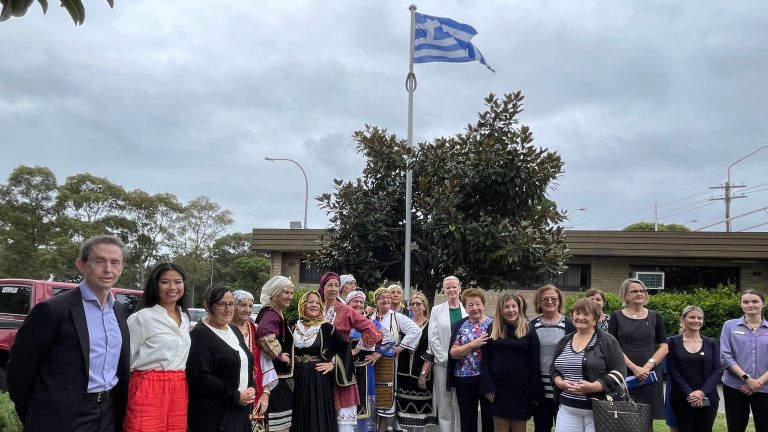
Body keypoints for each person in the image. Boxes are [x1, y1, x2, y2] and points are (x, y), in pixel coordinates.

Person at [8, 235, 131, 432]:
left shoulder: (119, 311)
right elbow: (19, 371)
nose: (108, 269)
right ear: (81, 264)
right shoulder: (52, 310)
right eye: (99, 261)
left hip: (108, 412)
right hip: (62, 416)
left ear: (122, 267)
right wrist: (37, 415)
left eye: (115, 262)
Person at [124, 262, 191, 432]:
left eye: (177, 282)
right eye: (165, 282)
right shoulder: (141, 318)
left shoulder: (185, 318)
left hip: (179, 389)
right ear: (155, 285)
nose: (172, 287)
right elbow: (124, 361)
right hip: (147, 389)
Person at [187, 285, 256, 432]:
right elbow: (202, 377)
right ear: (207, 305)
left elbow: (245, 363)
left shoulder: (235, 330)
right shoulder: (199, 336)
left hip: (239, 412)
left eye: (231, 304)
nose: (228, 309)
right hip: (214, 415)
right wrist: (236, 396)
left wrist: (252, 388)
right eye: (221, 304)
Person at [550, 298, 626, 432]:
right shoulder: (564, 341)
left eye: (586, 314)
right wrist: (560, 383)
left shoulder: (607, 341)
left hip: (600, 411)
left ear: (596, 318)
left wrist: (593, 387)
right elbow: (553, 369)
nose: (580, 317)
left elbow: (620, 372)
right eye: (577, 313)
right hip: (568, 409)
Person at [320, 272, 383, 432]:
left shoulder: (346, 310)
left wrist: (354, 349)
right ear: (323, 287)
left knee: (343, 416)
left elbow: (373, 331)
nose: (334, 289)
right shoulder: (316, 306)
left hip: (341, 366)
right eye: (330, 285)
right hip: (319, 366)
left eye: (336, 285)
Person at [480, 293, 543, 432]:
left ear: (519, 308)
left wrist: (535, 392)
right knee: (500, 427)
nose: (511, 310)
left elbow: (535, 363)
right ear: (500, 310)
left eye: (514, 306)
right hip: (498, 390)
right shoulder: (492, 329)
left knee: (519, 428)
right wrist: (487, 386)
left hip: (521, 389)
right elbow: (484, 361)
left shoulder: (529, 329)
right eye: (506, 307)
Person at [608, 278, 668, 422]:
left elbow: (664, 347)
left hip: (650, 375)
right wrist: (635, 368)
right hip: (626, 374)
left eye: (642, 291)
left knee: (647, 420)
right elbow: (612, 347)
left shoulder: (655, 316)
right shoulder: (616, 316)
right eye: (634, 291)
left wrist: (647, 367)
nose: (639, 293)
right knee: (625, 419)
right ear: (625, 295)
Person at [292, 291, 351, 432]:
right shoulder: (292, 325)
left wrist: (333, 364)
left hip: (318, 378)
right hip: (296, 377)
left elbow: (345, 348)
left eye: (318, 303)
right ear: (303, 304)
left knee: (317, 414)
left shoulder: (326, 327)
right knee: (298, 412)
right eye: (310, 302)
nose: (314, 305)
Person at [366, 287, 421, 432]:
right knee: (372, 399)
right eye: (382, 298)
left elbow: (416, 331)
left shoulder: (396, 316)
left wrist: (401, 347)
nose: (386, 300)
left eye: (388, 297)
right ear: (376, 301)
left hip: (389, 363)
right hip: (371, 362)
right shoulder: (369, 318)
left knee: (385, 400)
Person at [666, 305, 722, 432]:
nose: (696, 320)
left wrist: (702, 392)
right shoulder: (673, 342)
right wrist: (690, 393)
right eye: (692, 317)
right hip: (682, 397)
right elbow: (672, 369)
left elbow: (717, 369)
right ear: (683, 319)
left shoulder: (710, 342)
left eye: (699, 318)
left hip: (709, 398)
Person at [719, 289, 768, 432]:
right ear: (741, 305)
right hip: (735, 387)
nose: (750, 305)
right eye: (745, 302)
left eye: (755, 301)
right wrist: (747, 379)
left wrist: (758, 383)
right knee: (735, 428)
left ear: (763, 304)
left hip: (765, 389)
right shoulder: (729, 326)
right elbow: (725, 356)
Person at [529, 284, 575, 432]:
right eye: (545, 299)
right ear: (539, 302)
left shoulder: (569, 325)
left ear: (559, 301)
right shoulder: (531, 326)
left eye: (553, 298)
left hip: (562, 387)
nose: (550, 302)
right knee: (541, 428)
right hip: (539, 388)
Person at [448, 288, 493, 432]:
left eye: (478, 304)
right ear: (465, 308)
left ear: (483, 304)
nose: (475, 308)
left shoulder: (494, 324)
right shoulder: (460, 325)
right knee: (467, 420)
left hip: (488, 379)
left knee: (490, 419)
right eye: (470, 305)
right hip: (464, 378)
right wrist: (473, 344)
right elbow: (453, 353)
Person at [254, 276, 296, 432]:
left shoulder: (276, 312)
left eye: (291, 293)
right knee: (278, 426)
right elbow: (264, 336)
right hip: (276, 379)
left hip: (278, 379)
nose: (290, 297)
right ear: (275, 294)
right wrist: (279, 355)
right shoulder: (271, 313)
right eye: (286, 292)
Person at [427, 275, 467, 431]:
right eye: (448, 287)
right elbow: (433, 336)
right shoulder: (437, 310)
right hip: (442, 364)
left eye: (454, 286)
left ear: (459, 288)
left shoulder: (467, 309)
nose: (451, 290)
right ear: (444, 290)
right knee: (444, 403)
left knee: (461, 403)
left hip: (464, 364)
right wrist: (445, 358)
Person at [232, 290, 276, 427]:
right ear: (233, 306)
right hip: (231, 391)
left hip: (254, 391)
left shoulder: (256, 330)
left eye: (250, 306)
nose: (247, 310)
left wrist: (266, 393)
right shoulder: (224, 329)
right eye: (242, 305)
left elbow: (265, 363)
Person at [396, 291, 437, 431]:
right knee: (403, 414)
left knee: (421, 415)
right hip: (403, 374)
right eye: (412, 304)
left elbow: (432, 350)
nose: (415, 306)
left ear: (424, 306)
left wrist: (424, 374)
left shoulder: (431, 325)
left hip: (421, 373)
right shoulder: (405, 324)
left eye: (418, 303)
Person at [346, 290, 379, 432]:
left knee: (365, 404)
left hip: (365, 370)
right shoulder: (340, 320)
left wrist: (377, 353)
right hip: (345, 370)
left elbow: (388, 339)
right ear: (348, 304)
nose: (359, 304)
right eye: (355, 301)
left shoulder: (371, 322)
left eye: (361, 302)